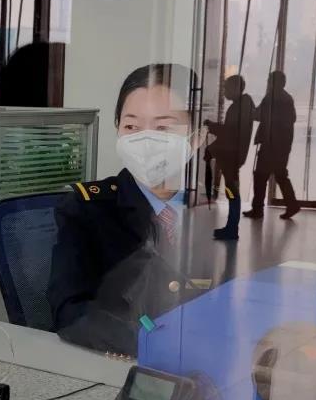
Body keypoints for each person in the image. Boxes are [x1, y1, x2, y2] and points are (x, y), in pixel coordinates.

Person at [48, 63, 203, 356]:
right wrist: (153, 341)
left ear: (197, 137)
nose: (145, 141)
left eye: (163, 127)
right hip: (129, 363)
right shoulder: (88, 209)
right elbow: (70, 309)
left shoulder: (221, 211)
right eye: (131, 127)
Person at [203, 74, 256, 240]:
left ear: (235, 88)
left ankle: (232, 229)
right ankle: (231, 227)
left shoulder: (237, 108)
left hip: (231, 155)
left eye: (226, 88)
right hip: (234, 155)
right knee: (232, 191)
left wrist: (212, 128)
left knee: (232, 192)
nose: (224, 91)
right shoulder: (244, 105)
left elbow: (229, 133)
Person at [245, 70, 301, 219]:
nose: (268, 82)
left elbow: (259, 115)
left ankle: (258, 209)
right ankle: (292, 205)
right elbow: (292, 119)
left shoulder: (271, 98)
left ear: (274, 82)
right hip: (282, 145)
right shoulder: (287, 98)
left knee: (260, 176)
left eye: (269, 80)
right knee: (280, 175)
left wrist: (248, 109)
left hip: (271, 144)